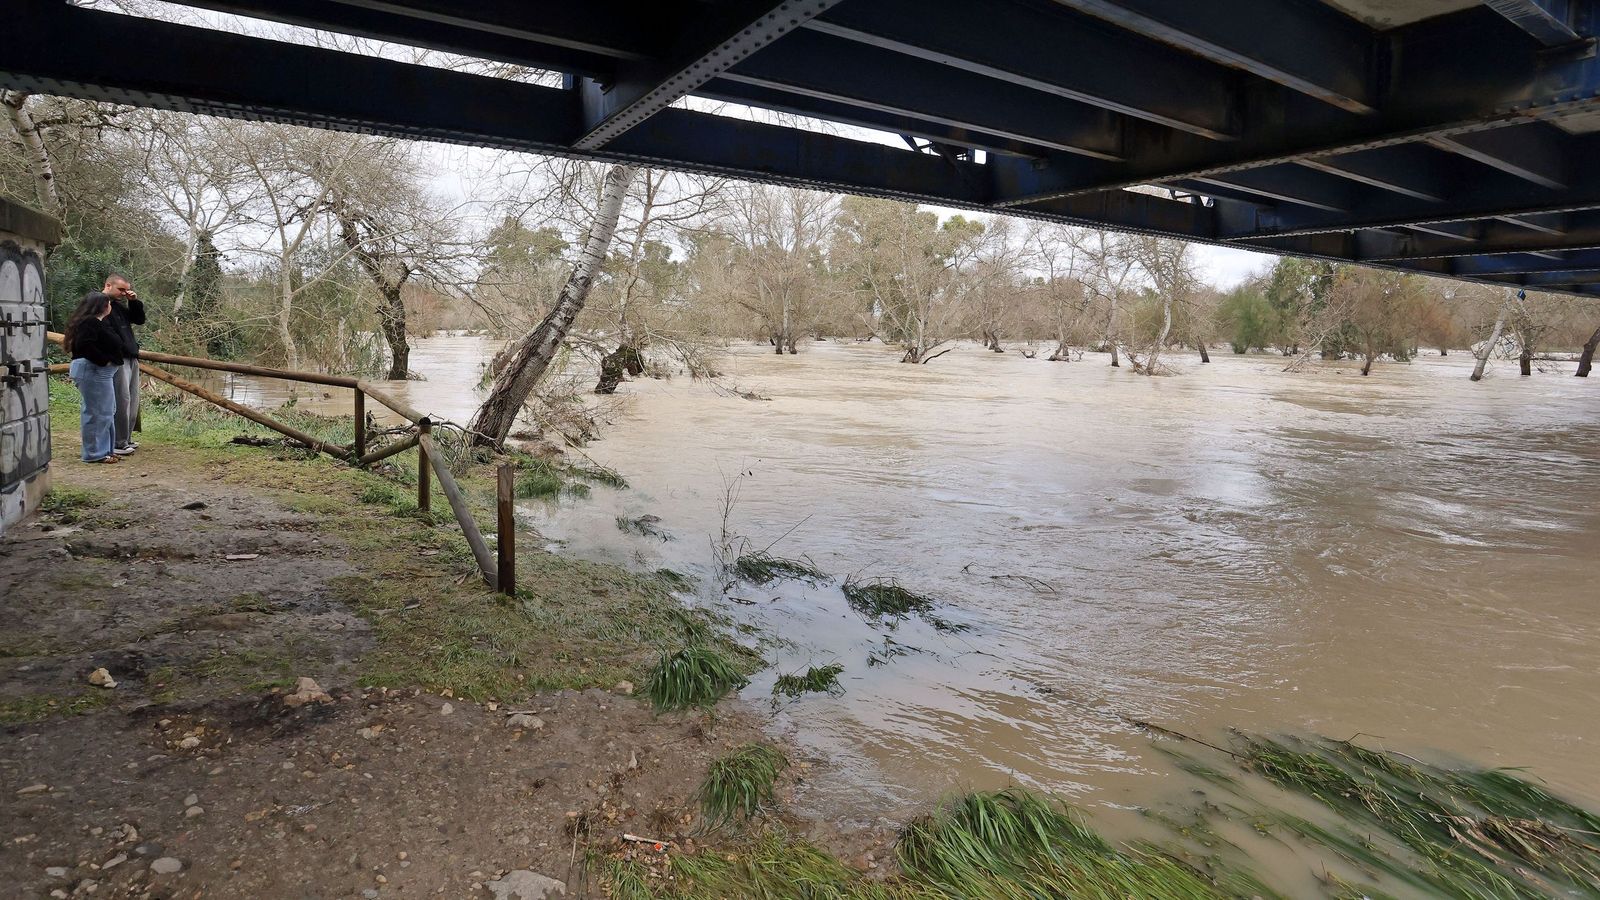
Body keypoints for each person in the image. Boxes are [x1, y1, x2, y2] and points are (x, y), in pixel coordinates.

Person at [62, 293, 125, 465]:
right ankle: (94, 453)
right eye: (109, 304)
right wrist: (104, 361)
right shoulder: (89, 323)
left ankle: (106, 450)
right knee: (96, 412)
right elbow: (84, 345)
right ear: (103, 306)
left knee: (107, 411)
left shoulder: (98, 323)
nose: (111, 306)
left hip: (101, 373)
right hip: (93, 371)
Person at [103, 273, 145, 454]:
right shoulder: (99, 304)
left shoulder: (119, 307)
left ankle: (126, 438)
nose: (123, 293)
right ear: (108, 285)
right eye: (121, 289)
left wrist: (134, 302)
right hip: (117, 359)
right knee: (122, 399)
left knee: (132, 399)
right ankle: (118, 442)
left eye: (126, 290)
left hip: (131, 357)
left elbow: (139, 320)